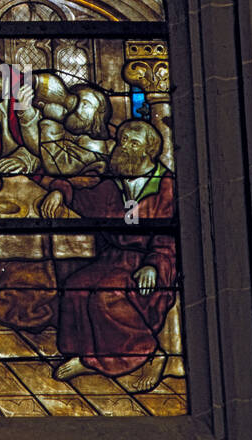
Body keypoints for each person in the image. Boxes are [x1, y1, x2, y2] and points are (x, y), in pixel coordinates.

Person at [37, 120, 177, 391]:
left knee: (106, 293)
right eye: (123, 140)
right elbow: (81, 195)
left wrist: (153, 265)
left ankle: (148, 352)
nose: (124, 147)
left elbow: (168, 237)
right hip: (114, 258)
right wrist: (58, 191)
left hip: (150, 262)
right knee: (76, 286)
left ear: (149, 151)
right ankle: (88, 356)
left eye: (133, 143)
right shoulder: (114, 182)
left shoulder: (165, 187)